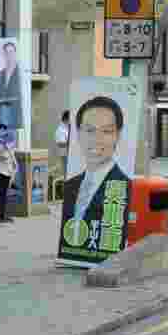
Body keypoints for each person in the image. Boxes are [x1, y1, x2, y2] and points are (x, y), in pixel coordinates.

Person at [61, 96, 131, 235]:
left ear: (118, 135)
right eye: (89, 130)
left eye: (106, 131)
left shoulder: (125, 187)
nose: (97, 139)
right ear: (78, 134)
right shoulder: (70, 185)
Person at [0, 41, 24, 128]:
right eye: (7, 53)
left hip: (17, 119)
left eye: (11, 52)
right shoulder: (1, 74)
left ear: (15, 54)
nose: (9, 55)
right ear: (4, 55)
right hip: (3, 120)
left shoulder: (21, 73)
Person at [54, 110, 71, 178]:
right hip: (65, 155)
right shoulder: (60, 130)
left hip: (70, 155)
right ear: (66, 119)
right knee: (67, 175)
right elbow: (60, 143)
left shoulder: (67, 128)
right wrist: (70, 142)